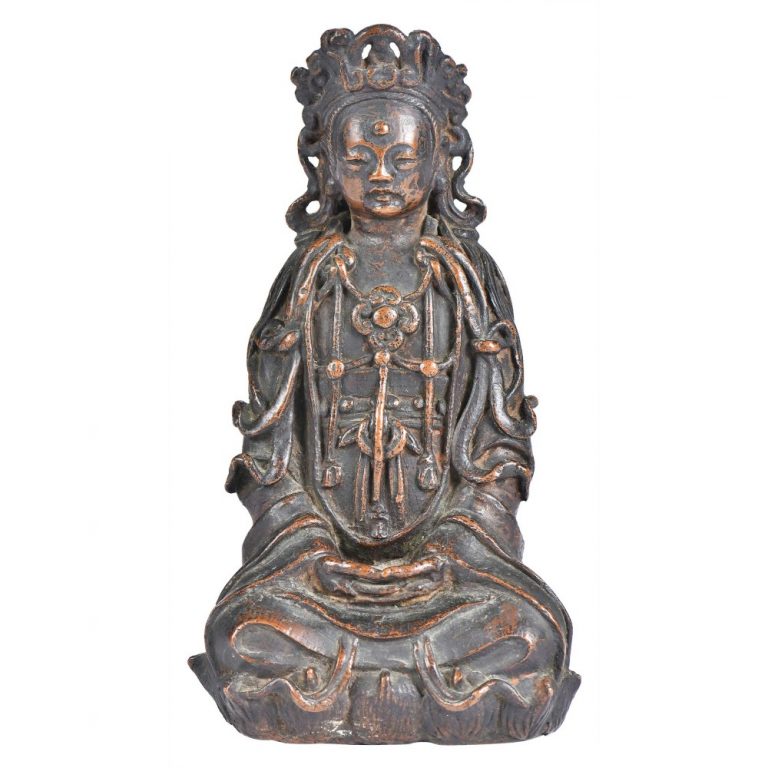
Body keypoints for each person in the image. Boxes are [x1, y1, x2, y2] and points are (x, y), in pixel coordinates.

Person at [190, 25, 579, 744]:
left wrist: (451, 549)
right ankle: (422, 680)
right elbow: (268, 454)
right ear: (325, 164)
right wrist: (313, 551)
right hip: (318, 577)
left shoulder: (469, 284)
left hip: (449, 573)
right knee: (242, 633)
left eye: (402, 157)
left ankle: (351, 678)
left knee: (530, 633)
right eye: (358, 157)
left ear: (440, 161)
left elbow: (500, 453)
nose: (380, 174)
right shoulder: (306, 281)